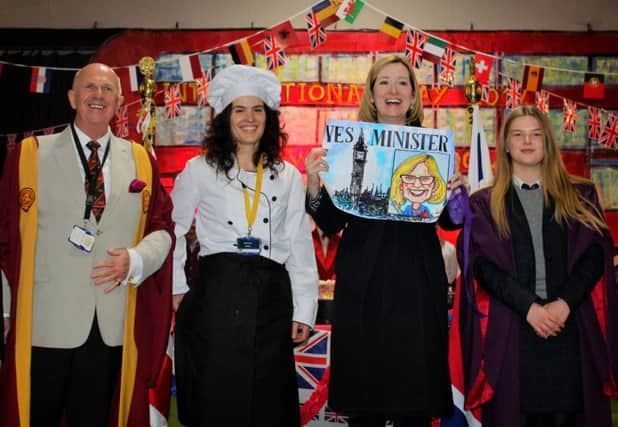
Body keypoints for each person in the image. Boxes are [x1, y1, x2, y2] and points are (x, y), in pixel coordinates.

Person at [0, 63, 174, 427]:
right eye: (89, 87)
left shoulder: (141, 159)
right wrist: (4, 309)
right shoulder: (30, 154)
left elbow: (162, 228)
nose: (98, 95)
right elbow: (3, 238)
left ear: (119, 101)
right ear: (72, 97)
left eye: (108, 89)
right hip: (43, 322)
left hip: (108, 325)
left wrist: (137, 259)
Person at [305, 55, 466, 427]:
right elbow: (330, 219)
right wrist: (314, 184)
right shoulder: (349, 147)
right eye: (384, 82)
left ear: (413, 96)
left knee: (415, 402)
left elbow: (450, 219)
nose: (393, 90)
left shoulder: (435, 148)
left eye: (402, 83)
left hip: (417, 285)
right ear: (372, 95)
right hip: (364, 285)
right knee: (366, 403)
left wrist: (457, 193)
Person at [171, 64, 318, 426]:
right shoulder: (199, 169)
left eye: (257, 110)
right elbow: (172, 230)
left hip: (271, 298)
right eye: (239, 109)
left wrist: (304, 309)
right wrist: (176, 289)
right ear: (225, 117)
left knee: (267, 402)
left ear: (269, 118)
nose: (249, 118)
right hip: (216, 298)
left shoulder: (287, 176)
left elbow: (299, 242)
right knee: (217, 398)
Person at [456, 105, 618, 427]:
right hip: (513, 331)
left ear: (547, 142)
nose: (527, 141)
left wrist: (563, 304)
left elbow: (595, 255)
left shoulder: (580, 194)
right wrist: (529, 307)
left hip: (570, 329)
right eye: (518, 134)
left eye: (535, 134)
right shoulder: (484, 203)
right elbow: (480, 265)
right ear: (505, 144)